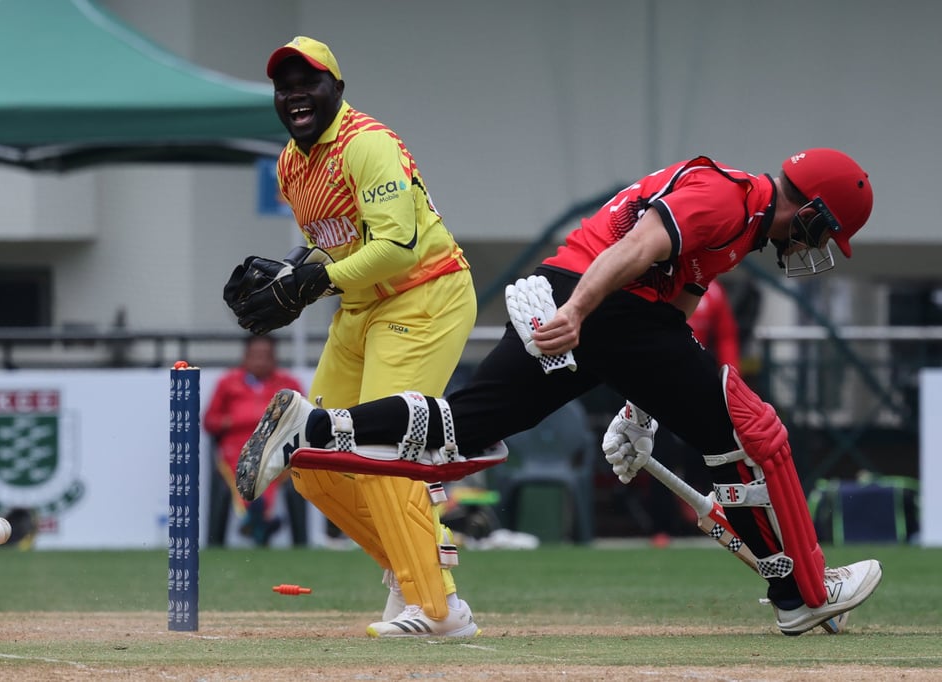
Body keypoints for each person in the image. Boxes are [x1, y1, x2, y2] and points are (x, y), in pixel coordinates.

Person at [238, 148, 884, 636]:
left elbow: (676, 306)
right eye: (824, 232)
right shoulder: (728, 198)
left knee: (467, 428)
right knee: (745, 430)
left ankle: (313, 430)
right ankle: (801, 593)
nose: (817, 245)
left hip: (589, 302)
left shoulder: (741, 225)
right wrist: (577, 313)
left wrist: (639, 409)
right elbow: (638, 247)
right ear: (813, 209)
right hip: (599, 303)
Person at [223, 37, 480, 637]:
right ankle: (410, 568)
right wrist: (295, 274)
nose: (294, 95)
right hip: (363, 304)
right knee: (312, 459)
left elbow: (397, 247)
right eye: (284, 86)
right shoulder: (291, 163)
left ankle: (439, 610)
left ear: (336, 88)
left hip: (425, 295)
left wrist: (316, 281)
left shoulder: (366, 144)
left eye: (307, 81)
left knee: (380, 450)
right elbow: (336, 240)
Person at [649, 278, 741, 546]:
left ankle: (708, 517)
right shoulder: (659, 281)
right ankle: (661, 526)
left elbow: (726, 336)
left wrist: (732, 379)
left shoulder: (714, 291)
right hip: (656, 380)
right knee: (658, 453)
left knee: (705, 451)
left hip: (695, 380)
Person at [203, 335, 305, 546]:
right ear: (245, 357)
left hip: (276, 447)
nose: (260, 361)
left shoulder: (288, 384)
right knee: (247, 468)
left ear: (274, 358)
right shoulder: (227, 383)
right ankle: (259, 520)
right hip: (236, 448)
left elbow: (304, 419)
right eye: (255, 355)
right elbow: (210, 421)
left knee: (270, 465)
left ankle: (258, 519)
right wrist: (234, 421)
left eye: (266, 356)